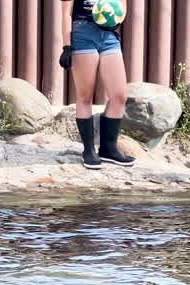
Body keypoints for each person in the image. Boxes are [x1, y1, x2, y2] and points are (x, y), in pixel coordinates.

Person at [58, 0, 134, 170]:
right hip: (82, 33)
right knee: (85, 96)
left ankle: (108, 149)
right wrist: (66, 46)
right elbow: (66, 13)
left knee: (119, 95)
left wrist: (113, 17)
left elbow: (122, 10)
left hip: (109, 36)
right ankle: (89, 150)